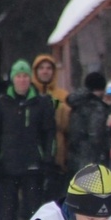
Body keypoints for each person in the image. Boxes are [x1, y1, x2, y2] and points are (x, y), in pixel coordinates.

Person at [0, 60, 56, 220]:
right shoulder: (1, 104)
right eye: (18, 76)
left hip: (33, 164)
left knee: (33, 208)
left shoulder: (41, 102)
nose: (22, 80)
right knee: (7, 209)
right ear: (13, 79)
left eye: (25, 76)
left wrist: (48, 158)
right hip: (7, 165)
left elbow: (49, 133)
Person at [31, 54, 70, 193]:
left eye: (49, 68)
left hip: (57, 154)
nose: (45, 71)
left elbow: (67, 126)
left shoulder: (63, 96)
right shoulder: (30, 94)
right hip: (33, 155)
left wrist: (59, 109)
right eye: (41, 68)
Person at [66, 72, 111, 174]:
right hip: (93, 157)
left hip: (76, 155)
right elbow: (96, 135)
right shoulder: (96, 107)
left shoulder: (77, 103)